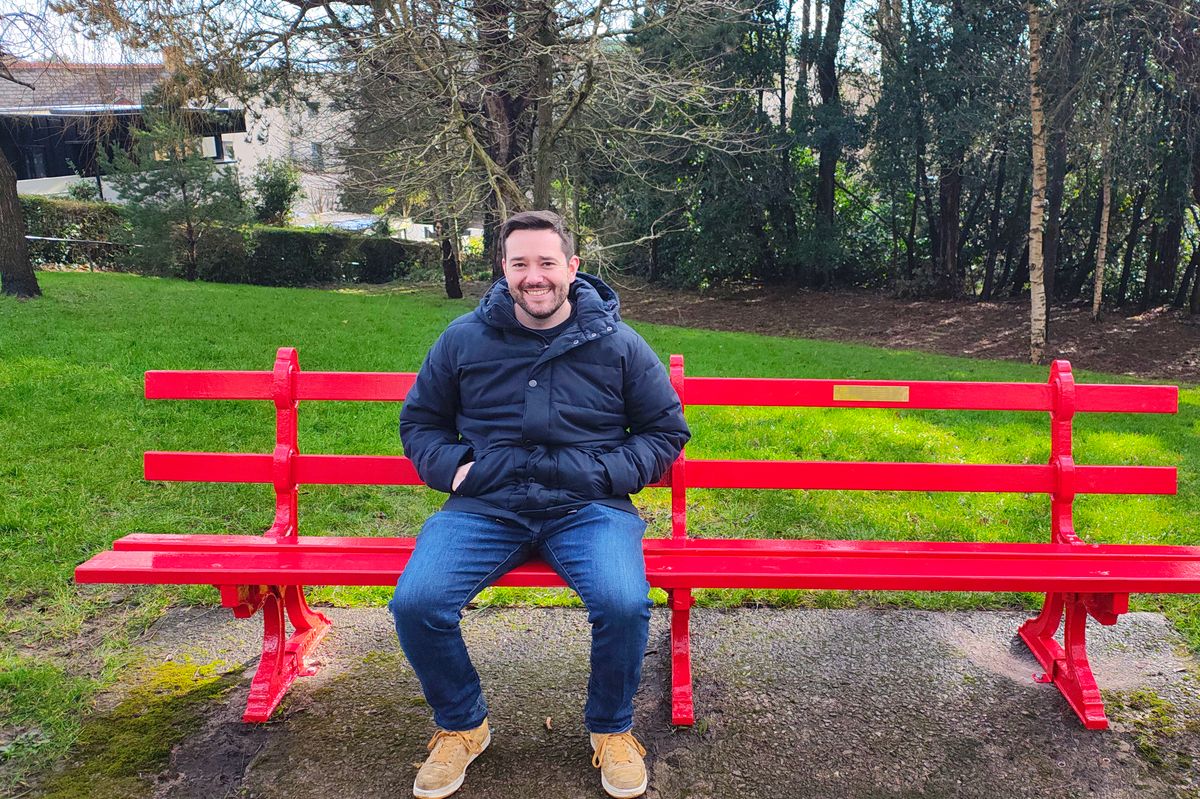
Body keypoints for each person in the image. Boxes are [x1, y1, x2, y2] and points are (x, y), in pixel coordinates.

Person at [391, 210, 690, 799]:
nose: (535, 277)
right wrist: (455, 470)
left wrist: (604, 473)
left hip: (589, 508)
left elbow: (664, 432)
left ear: (572, 268)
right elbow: (420, 422)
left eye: (547, 263)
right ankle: (461, 726)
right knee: (417, 602)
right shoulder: (462, 338)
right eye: (520, 263)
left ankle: (612, 730)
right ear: (503, 269)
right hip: (486, 506)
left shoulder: (619, 343)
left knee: (624, 603)